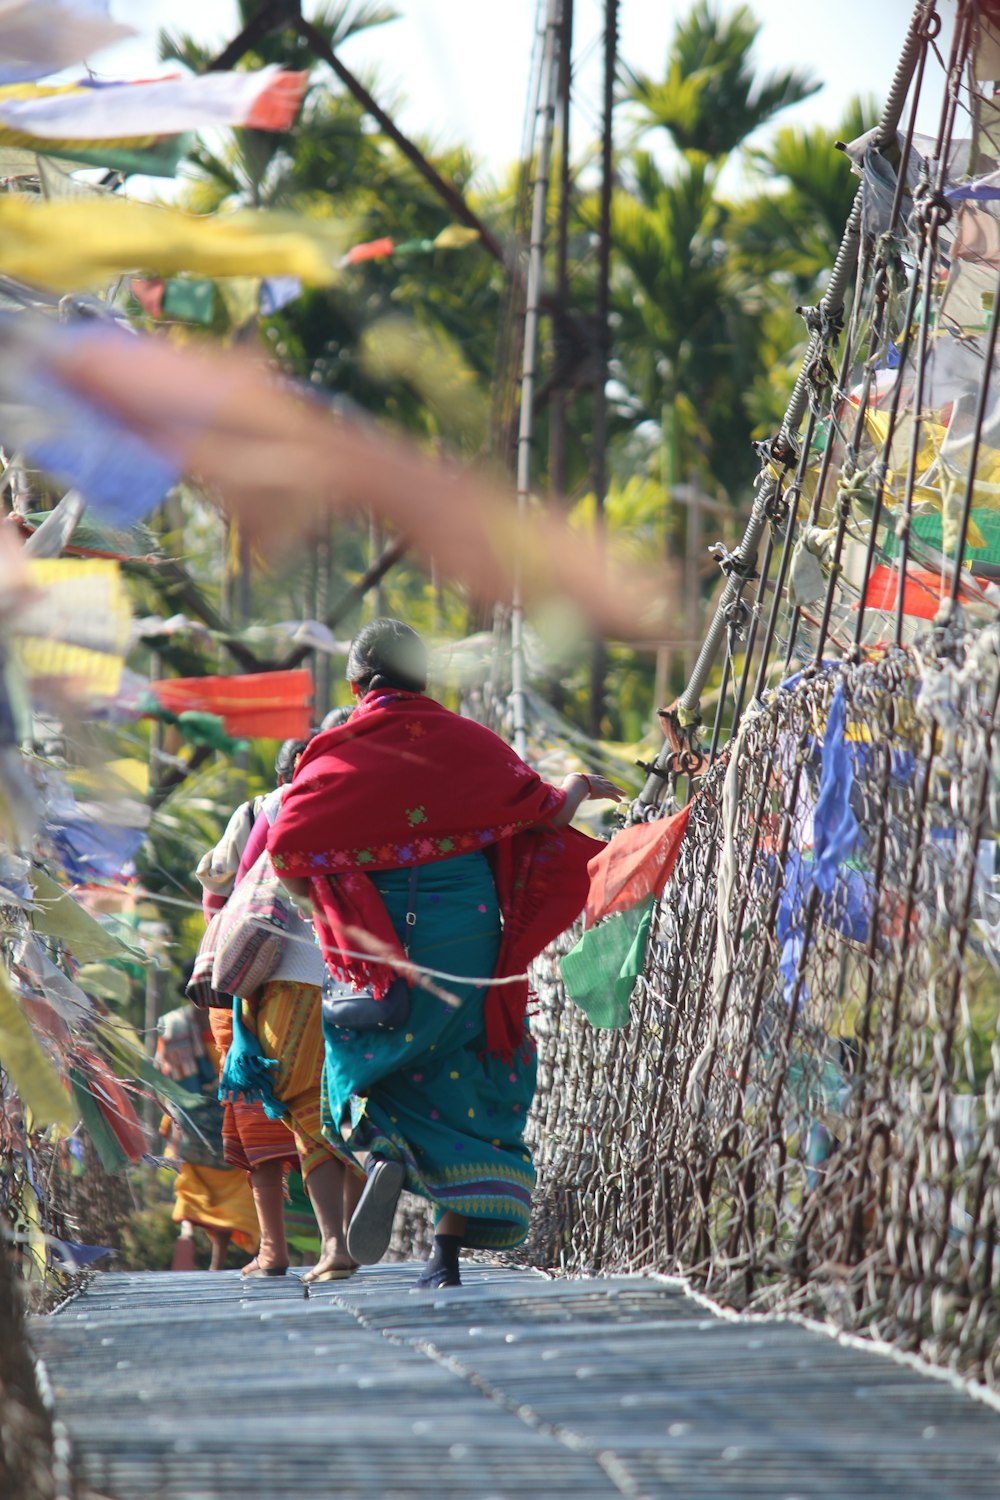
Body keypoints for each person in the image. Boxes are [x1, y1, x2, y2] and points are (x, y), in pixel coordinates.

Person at [268, 618, 622, 1288]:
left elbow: (285, 844)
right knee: (466, 1072)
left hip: (385, 950)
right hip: (471, 939)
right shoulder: (474, 745)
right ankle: (445, 1257)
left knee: (366, 1061)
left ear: (356, 683)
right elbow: (542, 813)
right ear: (424, 677)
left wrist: (326, 910)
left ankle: (390, 1149)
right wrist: (577, 784)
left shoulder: (333, 751)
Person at [222, 738, 365, 1282]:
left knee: (309, 1114)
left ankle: (335, 1245)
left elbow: (245, 901)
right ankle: (354, 1222)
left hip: (292, 983)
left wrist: (239, 1016)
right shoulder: (370, 800)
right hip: (367, 981)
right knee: (362, 1108)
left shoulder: (280, 804)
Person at [155, 989, 259, 1272]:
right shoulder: (231, 1020)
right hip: (219, 1126)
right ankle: (212, 1256)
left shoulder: (175, 1024)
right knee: (228, 1198)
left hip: (197, 1130)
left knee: (194, 1193)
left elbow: (163, 1075)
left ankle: (190, 1237)